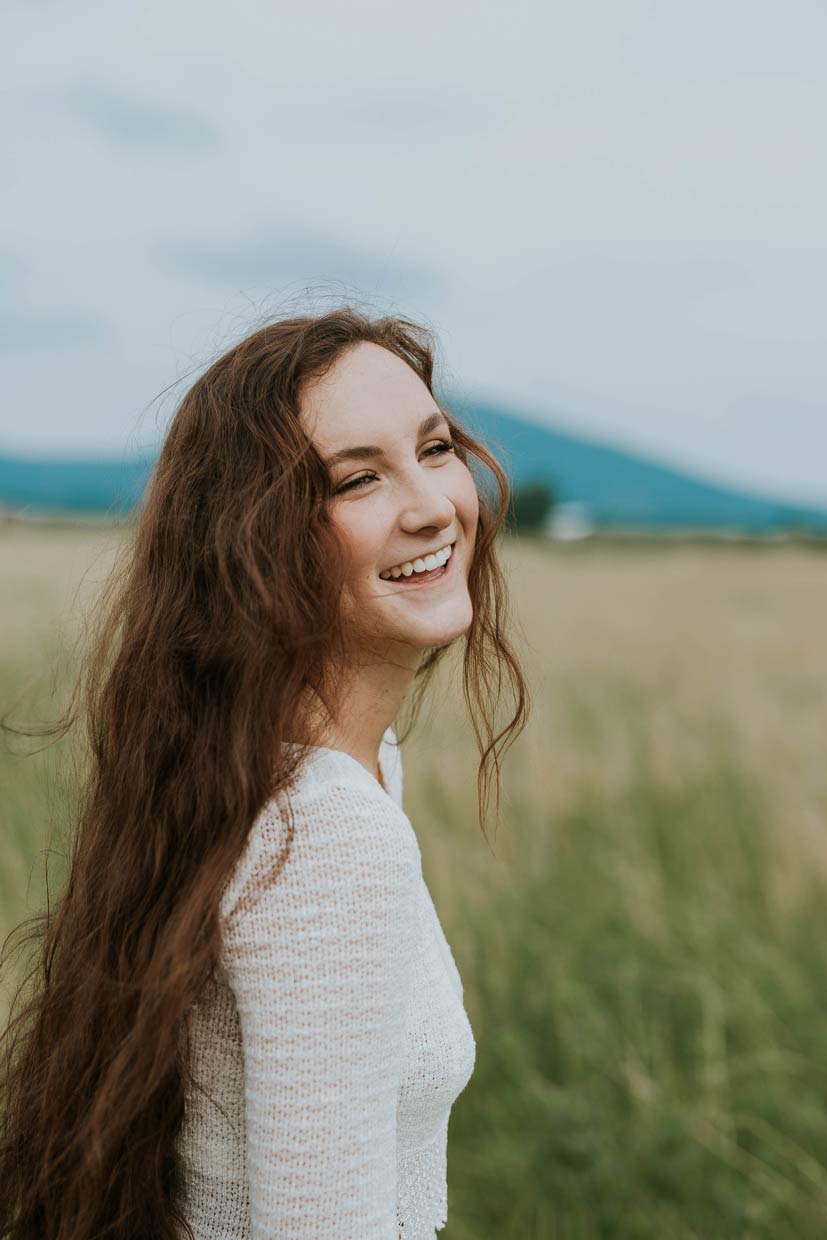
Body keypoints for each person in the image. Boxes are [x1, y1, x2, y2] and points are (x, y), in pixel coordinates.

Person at [0, 307, 529, 1239]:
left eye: (435, 447)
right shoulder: (330, 838)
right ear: (256, 544)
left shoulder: (275, 772)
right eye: (358, 478)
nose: (432, 505)